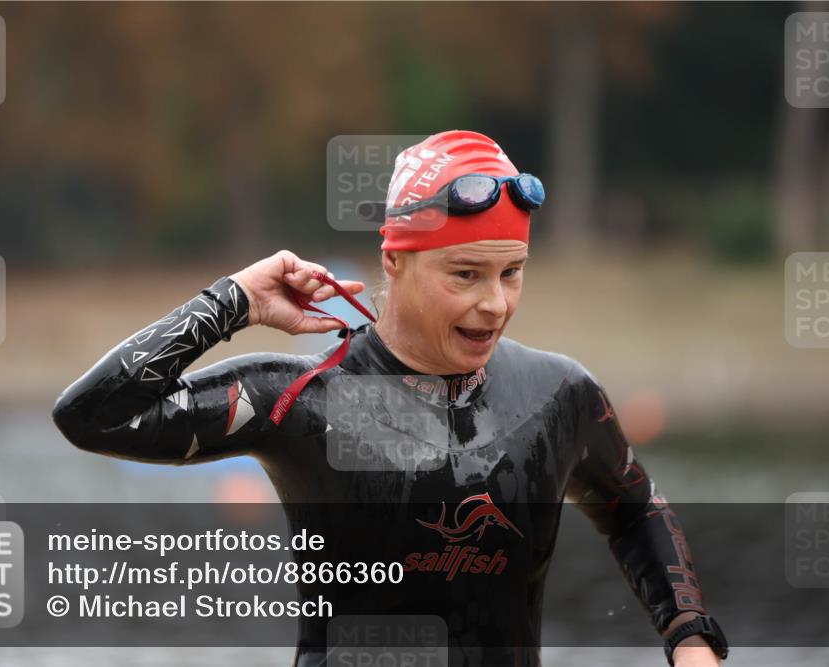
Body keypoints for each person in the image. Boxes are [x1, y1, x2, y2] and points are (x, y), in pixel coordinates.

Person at [52, 130, 728, 667]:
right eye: (465, 274)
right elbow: (91, 415)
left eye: (511, 272)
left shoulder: (558, 396)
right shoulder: (301, 401)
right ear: (395, 260)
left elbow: (634, 506)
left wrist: (689, 634)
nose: (494, 303)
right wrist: (232, 302)